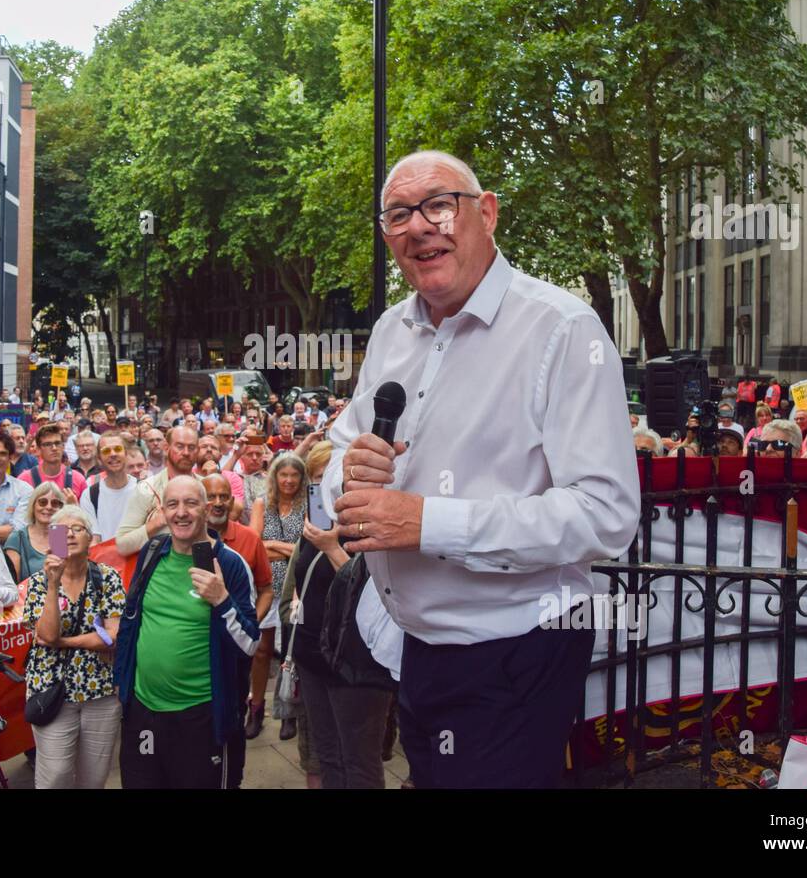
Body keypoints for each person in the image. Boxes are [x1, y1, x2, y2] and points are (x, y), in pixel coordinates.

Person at [323, 150, 639, 788]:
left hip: (514, 652)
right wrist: (348, 476)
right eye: (398, 215)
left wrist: (428, 523)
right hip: (411, 646)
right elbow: (338, 453)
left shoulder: (563, 328)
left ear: (486, 212)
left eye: (439, 204)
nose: (419, 226)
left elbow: (606, 515)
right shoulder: (389, 330)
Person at [115, 475, 258, 788]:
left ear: (206, 509)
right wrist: (122, 684)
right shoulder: (152, 552)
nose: (181, 512)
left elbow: (250, 644)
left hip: (200, 718)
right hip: (144, 712)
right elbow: (131, 621)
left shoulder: (229, 564)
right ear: (162, 512)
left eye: (191, 503)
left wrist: (221, 600)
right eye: (173, 504)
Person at [278, 441, 391, 788]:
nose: (325, 491)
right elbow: (299, 588)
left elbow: (373, 596)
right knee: (327, 754)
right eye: (316, 480)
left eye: (333, 480)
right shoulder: (313, 530)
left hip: (356, 666)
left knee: (358, 760)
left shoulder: (373, 526)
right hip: (314, 659)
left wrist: (331, 547)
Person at [20, 506, 124, 788]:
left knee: (94, 778)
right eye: (61, 531)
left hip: (100, 692)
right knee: (55, 777)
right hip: (52, 692)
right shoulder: (39, 583)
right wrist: (53, 585)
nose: (69, 535)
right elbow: (47, 632)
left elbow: (113, 637)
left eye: (77, 529)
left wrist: (63, 642)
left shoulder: (107, 578)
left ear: (91, 538)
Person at [202, 472, 272, 788]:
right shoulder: (184, 539)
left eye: (223, 497)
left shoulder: (248, 539)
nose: (217, 503)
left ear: (233, 502)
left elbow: (266, 588)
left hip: (237, 647)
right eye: (211, 496)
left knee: (230, 717)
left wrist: (248, 624)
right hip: (200, 651)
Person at [245, 452, 307, 739]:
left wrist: (277, 547)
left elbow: (305, 549)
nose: (289, 480)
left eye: (294, 475)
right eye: (284, 474)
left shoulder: (306, 505)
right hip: (267, 584)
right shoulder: (262, 503)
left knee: (291, 652)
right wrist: (289, 548)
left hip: (296, 585)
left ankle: (288, 711)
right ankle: (255, 709)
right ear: (275, 476)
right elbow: (254, 547)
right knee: (262, 651)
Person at [114, 426, 200, 561]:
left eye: (191, 447)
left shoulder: (205, 487)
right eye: (179, 446)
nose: (186, 452)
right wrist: (156, 524)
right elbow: (123, 545)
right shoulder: (146, 490)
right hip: (159, 573)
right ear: (166, 447)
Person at [80, 434, 138, 542]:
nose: (113, 454)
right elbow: (94, 540)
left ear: (126, 453)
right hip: (103, 557)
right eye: (106, 451)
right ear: (99, 459)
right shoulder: (90, 495)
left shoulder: (143, 489)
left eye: (117, 449)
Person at [4, 483, 65, 582]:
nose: (49, 507)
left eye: (54, 503)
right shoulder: (17, 538)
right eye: (42, 502)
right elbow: (12, 582)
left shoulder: (60, 535)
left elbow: (65, 577)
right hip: (26, 596)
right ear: (33, 506)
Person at [23, 423, 87, 502]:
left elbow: (85, 513)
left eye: (57, 443)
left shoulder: (78, 479)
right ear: (39, 449)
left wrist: (74, 507)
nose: (54, 448)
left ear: (63, 447)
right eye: (48, 444)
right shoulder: (25, 480)